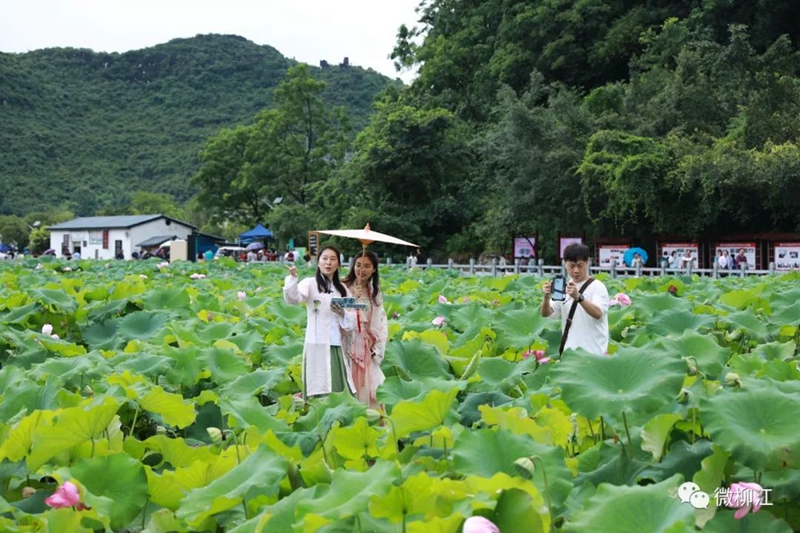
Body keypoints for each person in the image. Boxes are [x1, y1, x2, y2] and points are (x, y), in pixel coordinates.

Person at [284, 246, 356, 398]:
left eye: (333, 259)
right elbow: (294, 299)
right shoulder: (309, 283)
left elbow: (352, 319)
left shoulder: (342, 289)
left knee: (337, 388)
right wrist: (292, 280)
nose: (328, 262)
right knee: (317, 386)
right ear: (318, 262)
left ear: (338, 264)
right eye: (324, 258)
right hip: (315, 344)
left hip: (336, 344)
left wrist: (342, 313)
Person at [541, 243, 609, 356]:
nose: (576, 270)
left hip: (594, 354)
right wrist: (546, 297)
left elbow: (598, 313)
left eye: (580, 265)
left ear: (587, 263)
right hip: (570, 355)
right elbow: (546, 314)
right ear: (565, 264)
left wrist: (578, 297)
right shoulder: (563, 287)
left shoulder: (598, 287)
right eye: (571, 266)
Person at [342, 251, 388, 409]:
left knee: (369, 391)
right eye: (358, 265)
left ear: (374, 269)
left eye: (367, 266)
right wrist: (351, 298)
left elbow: (381, 323)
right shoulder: (341, 287)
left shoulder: (374, 293)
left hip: (365, 348)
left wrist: (377, 348)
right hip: (344, 344)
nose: (362, 269)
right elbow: (332, 313)